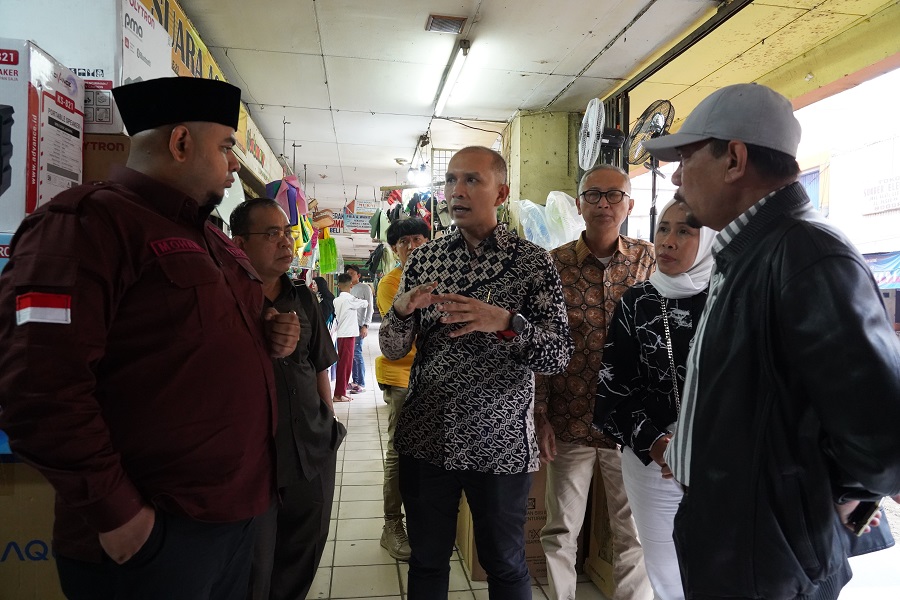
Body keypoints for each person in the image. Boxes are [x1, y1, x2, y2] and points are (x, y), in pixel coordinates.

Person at [0, 77, 300, 600]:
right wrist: (120, 517)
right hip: (154, 535)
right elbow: (37, 387)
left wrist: (271, 331)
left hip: (233, 518)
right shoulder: (84, 225)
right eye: (226, 146)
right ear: (181, 142)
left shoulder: (210, 239)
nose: (234, 164)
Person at [640, 82, 900, 599]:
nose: (676, 176)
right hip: (737, 539)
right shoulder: (750, 252)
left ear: (735, 159)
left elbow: (883, 442)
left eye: (687, 158)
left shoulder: (806, 255)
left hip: (766, 558)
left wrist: (831, 502)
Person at [380, 146, 573, 599]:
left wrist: (506, 323)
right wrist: (401, 312)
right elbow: (392, 348)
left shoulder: (532, 262)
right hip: (427, 436)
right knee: (427, 560)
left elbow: (557, 355)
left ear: (501, 193)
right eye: (451, 180)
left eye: (472, 180)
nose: (457, 191)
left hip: (499, 439)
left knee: (504, 563)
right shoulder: (424, 260)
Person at [534, 164, 654, 600]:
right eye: (594, 195)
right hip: (569, 418)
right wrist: (540, 414)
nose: (604, 203)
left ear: (629, 204)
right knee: (561, 528)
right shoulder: (553, 265)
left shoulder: (649, 260)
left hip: (630, 424)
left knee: (632, 530)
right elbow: (541, 345)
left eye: (614, 195)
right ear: (579, 203)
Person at [593, 199, 715, 600]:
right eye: (663, 228)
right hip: (653, 461)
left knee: (718, 571)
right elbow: (613, 387)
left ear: (710, 239)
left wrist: (701, 449)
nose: (668, 241)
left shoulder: (731, 298)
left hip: (720, 462)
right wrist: (659, 446)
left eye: (684, 231)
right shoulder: (638, 301)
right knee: (666, 574)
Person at [230, 198, 345, 600]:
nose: (285, 242)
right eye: (271, 233)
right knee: (255, 566)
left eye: (287, 233)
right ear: (239, 243)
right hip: (255, 459)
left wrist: (328, 421)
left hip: (310, 450)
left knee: (304, 550)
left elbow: (319, 365)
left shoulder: (302, 297)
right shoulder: (226, 298)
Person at [374, 217, 430, 561]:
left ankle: (427, 521)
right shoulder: (390, 283)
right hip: (402, 377)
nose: (411, 246)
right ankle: (391, 525)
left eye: (417, 239)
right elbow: (400, 334)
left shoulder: (440, 277)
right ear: (395, 249)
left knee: (429, 453)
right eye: (404, 242)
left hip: (434, 378)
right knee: (399, 450)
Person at [333, 273, 369, 403]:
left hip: (341, 334)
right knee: (345, 365)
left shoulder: (336, 300)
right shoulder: (350, 300)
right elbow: (365, 303)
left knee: (344, 364)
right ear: (351, 285)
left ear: (338, 285)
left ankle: (341, 392)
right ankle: (338, 394)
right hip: (348, 335)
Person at [345, 264, 374, 393]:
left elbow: (370, 307)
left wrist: (366, 325)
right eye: (348, 273)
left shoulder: (364, 288)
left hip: (359, 325)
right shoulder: (347, 288)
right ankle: (355, 381)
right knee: (351, 354)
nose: (349, 275)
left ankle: (361, 383)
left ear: (358, 275)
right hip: (348, 325)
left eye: (352, 273)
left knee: (357, 353)